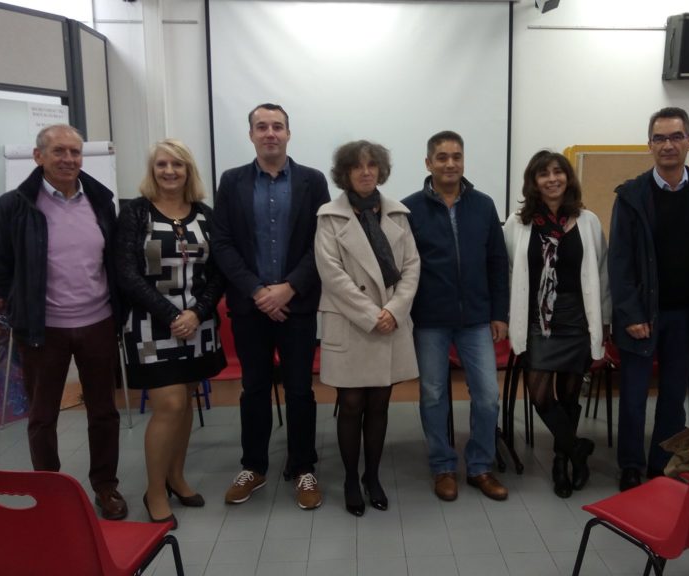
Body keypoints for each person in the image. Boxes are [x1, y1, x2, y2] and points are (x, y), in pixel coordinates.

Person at [0, 124, 127, 520]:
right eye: (59, 151)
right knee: (43, 415)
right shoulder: (13, 206)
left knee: (103, 412)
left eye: (75, 153)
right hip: (43, 329)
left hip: (98, 321)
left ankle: (106, 486)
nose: (68, 160)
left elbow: (110, 260)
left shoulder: (100, 200)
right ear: (38, 156)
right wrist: (23, 304)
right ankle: (50, 489)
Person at [210, 103, 330, 510]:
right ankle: (254, 466)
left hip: (297, 307)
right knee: (254, 389)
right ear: (251, 135)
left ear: (289, 134)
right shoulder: (232, 181)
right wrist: (259, 292)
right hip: (249, 307)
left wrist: (289, 288)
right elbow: (222, 243)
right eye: (261, 127)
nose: (270, 133)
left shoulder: (313, 181)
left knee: (299, 390)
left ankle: (304, 467)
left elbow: (323, 243)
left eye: (277, 126)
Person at [608, 107, 689, 491]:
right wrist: (629, 313)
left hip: (685, 315)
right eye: (660, 138)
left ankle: (661, 463)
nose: (668, 145)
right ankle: (630, 463)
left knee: (674, 395)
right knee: (632, 395)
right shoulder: (631, 196)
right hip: (642, 315)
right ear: (649, 146)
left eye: (676, 137)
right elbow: (620, 261)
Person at [115, 139, 227, 528]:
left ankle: (177, 478)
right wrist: (171, 315)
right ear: (153, 170)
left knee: (186, 404)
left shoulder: (206, 215)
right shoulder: (134, 213)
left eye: (177, 165)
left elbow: (218, 273)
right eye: (162, 164)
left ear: (188, 171)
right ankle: (154, 490)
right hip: (150, 325)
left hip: (198, 324)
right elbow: (126, 273)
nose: (169, 171)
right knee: (170, 406)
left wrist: (196, 313)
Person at [402, 131, 510, 502]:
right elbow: (402, 268)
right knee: (433, 395)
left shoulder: (483, 205)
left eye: (457, 156)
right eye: (442, 157)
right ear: (428, 162)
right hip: (429, 318)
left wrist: (499, 313)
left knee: (487, 397)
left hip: (477, 318)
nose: (450, 163)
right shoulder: (408, 209)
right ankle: (443, 466)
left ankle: (480, 466)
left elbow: (497, 262)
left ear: (464, 161)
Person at [315, 140, 421, 516]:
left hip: (390, 320)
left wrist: (393, 309)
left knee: (379, 403)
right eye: (357, 167)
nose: (365, 172)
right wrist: (372, 313)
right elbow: (332, 274)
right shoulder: (329, 216)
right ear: (344, 173)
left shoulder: (398, 214)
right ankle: (349, 477)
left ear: (380, 171)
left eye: (371, 166)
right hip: (351, 321)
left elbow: (411, 268)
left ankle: (372, 476)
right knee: (351, 403)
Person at [503, 150, 610, 498]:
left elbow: (602, 273)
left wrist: (604, 322)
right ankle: (577, 447)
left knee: (567, 395)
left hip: (577, 318)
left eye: (558, 172)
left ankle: (561, 462)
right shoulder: (517, 224)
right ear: (533, 182)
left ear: (568, 177)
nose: (552, 179)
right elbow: (509, 273)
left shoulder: (588, 221)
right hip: (537, 319)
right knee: (539, 394)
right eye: (543, 174)